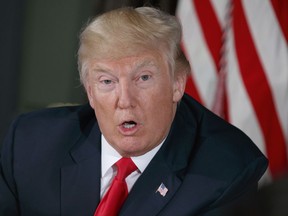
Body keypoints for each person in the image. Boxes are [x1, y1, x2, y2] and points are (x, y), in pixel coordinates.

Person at [0, 6, 268, 216]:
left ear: (177, 84)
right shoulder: (29, 145)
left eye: (143, 78)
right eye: (107, 82)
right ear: (90, 92)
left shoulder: (228, 173)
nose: (125, 100)